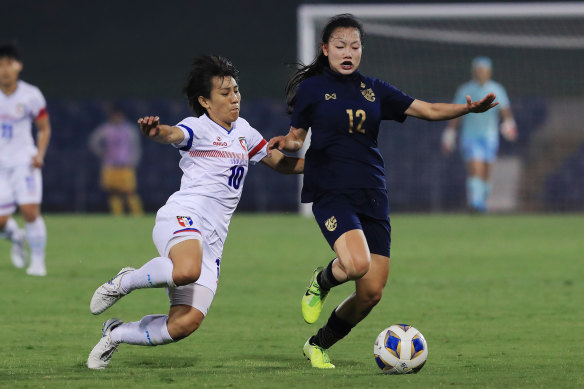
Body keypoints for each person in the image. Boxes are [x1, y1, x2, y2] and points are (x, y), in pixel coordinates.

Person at [268, 14, 498, 369]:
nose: (348, 52)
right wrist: (287, 142)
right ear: (325, 49)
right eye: (340, 45)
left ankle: (317, 345)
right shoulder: (312, 89)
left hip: (373, 192)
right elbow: (297, 137)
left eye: (355, 46)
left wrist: (467, 108)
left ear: (362, 50)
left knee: (371, 292)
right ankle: (322, 279)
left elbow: (429, 109)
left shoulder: (374, 89)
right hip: (331, 190)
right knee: (357, 264)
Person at [86, 55, 304, 370]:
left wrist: (325, 169)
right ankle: (126, 280)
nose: (235, 98)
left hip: (213, 240)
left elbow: (281, 163)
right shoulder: (198, 127)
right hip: (184, 215)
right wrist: (155, 132)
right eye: (225, 93)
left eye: (236, 90)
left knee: (183, 325)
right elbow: (172, 134)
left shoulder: (244, 131)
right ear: (204, 100)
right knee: (187, 270)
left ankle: (116, 334)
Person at [441, 56, 517, 213]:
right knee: (475, 168)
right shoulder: (465, 90)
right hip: (470, 137)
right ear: (474, 72)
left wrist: (509, 124)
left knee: (486, 173)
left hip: (490, 137)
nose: (481, 74)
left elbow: (505, 111)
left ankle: (482, 199)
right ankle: (475, 203)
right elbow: (457, 112)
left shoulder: (497, 89)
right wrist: (450, 132)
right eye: (478, 71)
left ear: (489, 72)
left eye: (484, 71)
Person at [0, 43, 51, 276]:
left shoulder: (31, 95)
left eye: (9, 63)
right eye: (0, 65)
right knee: (1, 221)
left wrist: (39, 154)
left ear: (18, 66)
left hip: (24, 161)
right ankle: (17, 236)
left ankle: (38, 263)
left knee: (30, 211)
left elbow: (43, 129)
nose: (4, 69)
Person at [89, 105, 143, 216]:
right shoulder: (105, 129)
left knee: (129, 192)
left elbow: (135, 146)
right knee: (113, 192)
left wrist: (133, 161)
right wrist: (102, 153)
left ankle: (137, 214)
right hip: (110, 165)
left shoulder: (129, 129)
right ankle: (117, 215)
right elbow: (93, 142)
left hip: (125, 165)